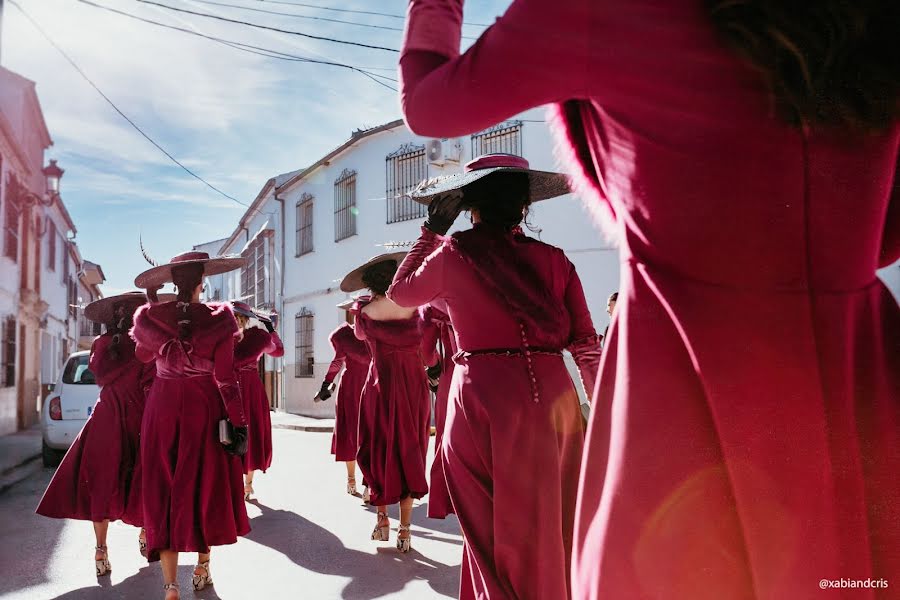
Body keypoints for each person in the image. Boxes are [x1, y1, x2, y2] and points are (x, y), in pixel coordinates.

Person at [399, 1, 900, 598]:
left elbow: (428, 106)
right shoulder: (872, 20)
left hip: (683, 369)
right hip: (860, 373)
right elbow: (884, 238)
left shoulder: (600, 10)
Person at [388, 153, 602, 599]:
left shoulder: (451, 256)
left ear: (470, 207)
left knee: (484, 530)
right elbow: (585, 345)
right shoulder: (556, 260)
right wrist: (602, 407)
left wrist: (430, 234)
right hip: (552, 401)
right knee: (550, 524)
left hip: (480, 397)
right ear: (524, 207)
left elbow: (401, 294)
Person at [131, 252, 249, 600]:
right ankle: (202, 566)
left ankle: (170, 586)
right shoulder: (221, 319)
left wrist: (156, 319)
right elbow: (227, 380)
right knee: (204, 487)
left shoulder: (150, 317)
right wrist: (239, 425)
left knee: (163, 488)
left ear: (172, 284)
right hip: (204, 408)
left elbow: (141, 356)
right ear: (202, 283)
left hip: (163, 408)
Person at [36, 291, 155, 577]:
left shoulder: (101, 344)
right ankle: (146, 533)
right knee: (143, 478)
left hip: (105, 420)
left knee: (102, 482)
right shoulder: (147, 346)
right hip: (139, 420)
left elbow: (99, 375)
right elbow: (152, 385)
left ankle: (101, 550)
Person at [341, 252, 431, 553]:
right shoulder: (417, 308)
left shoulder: (365, 313)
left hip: (380, 382)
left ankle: (382, 521)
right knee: (410, 448)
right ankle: (405, 530)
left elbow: (359, 334)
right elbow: (429, 349)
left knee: (378, 447)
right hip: (413, 383)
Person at [314, 297, 371, 497]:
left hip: (371, 386)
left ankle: (365, 483)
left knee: (367, 435)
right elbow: (337, 362)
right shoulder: (345, 335)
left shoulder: (375, 332)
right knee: (354, 434)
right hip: (352, 388)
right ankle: (354, 480)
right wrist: (325, 384)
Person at [231, 301, 284, 501]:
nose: (236, 322)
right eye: (233, 318)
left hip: (244, 390)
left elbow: (278, 351)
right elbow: (278, 350)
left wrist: (270, 329)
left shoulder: (249, 338)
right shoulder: (228, 339)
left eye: (238, 318)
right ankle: (242, 484)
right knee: (239, 434)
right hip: (239, 389)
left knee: (244, 433)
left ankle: (246, 485)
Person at [418, 302, 456, 520]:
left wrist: (435, 364)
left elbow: (425, 350)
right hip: (509, 372)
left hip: (455, 376)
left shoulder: (435, 304)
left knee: (458, 449)